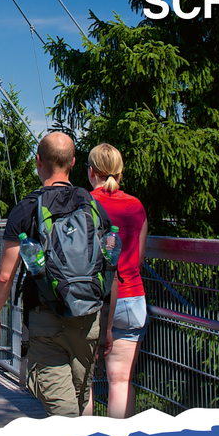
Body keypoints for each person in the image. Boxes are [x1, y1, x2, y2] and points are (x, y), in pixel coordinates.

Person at [0, 131, 117, 417]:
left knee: (64, 414)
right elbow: (109, 267)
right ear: (73, 163)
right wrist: (107, 324)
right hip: (89, 318)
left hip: (46, 318)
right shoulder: (94, 208)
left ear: (38, 161)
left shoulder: (26, 211)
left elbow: (5, 276)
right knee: (80, 402)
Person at [83, 143, 148, 419]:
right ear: (120, 173)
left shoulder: (84, 204)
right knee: (120, 382)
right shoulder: (135, 206)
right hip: (131, 297)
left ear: (91, 171)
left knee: (83, 383)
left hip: (92, 299)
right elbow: (139, 258)